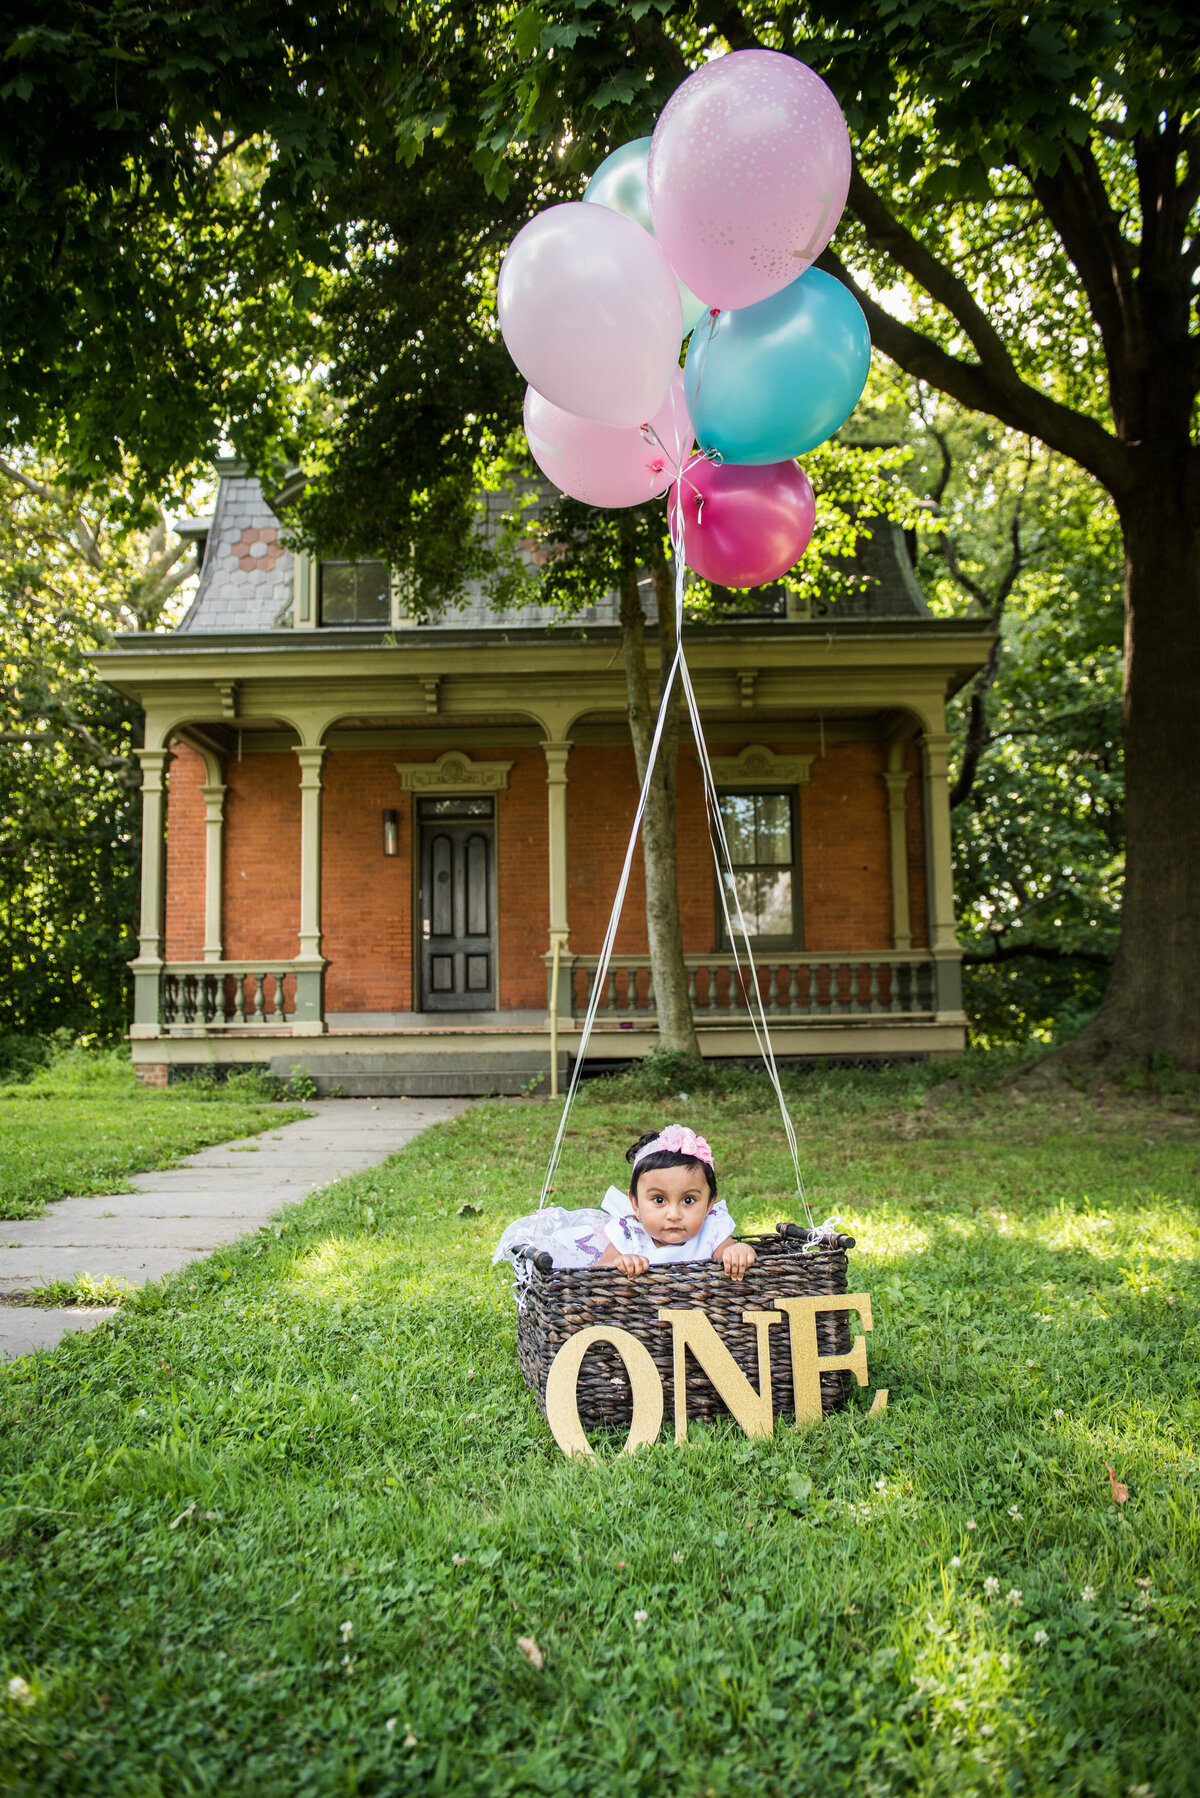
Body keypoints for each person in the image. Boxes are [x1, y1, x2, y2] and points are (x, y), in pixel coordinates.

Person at [492, 1123, 756, 1283]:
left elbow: (730, 1256)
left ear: (710, 1203)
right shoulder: (629, 1235)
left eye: (689, 1200)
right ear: (635, 1204)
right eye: (659, 1200)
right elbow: (596, 1274)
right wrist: (621, 1264)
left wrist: (740, 1252)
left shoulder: (713, 1230)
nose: (674, 1214)